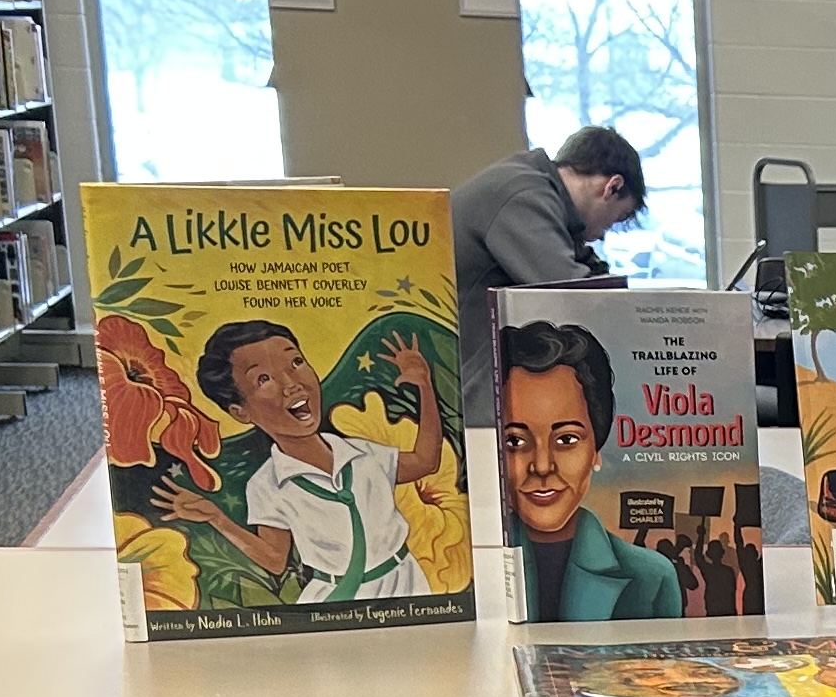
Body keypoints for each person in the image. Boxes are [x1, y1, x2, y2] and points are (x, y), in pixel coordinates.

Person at [200, 317, 443, 603]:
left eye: (296, 363)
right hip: (334, 599)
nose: (291, 384)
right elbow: (276, 560)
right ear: (241, 412)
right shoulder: (266, 485)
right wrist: (217, 519)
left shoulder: (364, 454)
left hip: (406, 584)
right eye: (263, 379)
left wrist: (425, 387)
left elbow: (426, 461)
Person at [450, 126, 644, 430]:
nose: (603, 234)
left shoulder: (527, 183)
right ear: (612, 187)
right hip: (464, 387)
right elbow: (572, 294)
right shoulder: (522, 194)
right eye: (616, 219)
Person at [493, 314, 681, 623]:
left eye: (566, 439)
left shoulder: (651, 579)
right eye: (515, 441)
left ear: (596, 449)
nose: (542, 466)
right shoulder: (469, 574)